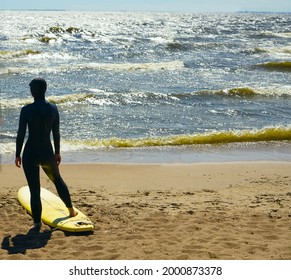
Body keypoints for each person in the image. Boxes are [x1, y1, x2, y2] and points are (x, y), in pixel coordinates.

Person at [15, 78, 77, 230]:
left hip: (30, 153)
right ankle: (71, 211)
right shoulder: (53, 108)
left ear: (33, 91)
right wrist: (57, 152)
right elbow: (56, 133)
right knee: (57, 180)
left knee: (34, 190)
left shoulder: (26, 110)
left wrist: (17, 154)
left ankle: (37, 223)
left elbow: (21, 134)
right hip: (47, 153)